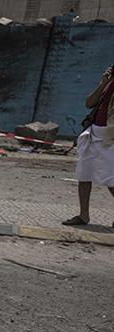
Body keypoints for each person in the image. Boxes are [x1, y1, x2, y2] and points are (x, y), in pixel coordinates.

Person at [63, 65, 114, 227]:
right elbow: (89, 103)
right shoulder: (108, 83)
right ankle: (83, 215)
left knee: (110, 178)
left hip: (110, 137)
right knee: (84, 174)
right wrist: (103, 82)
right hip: (94, 133)